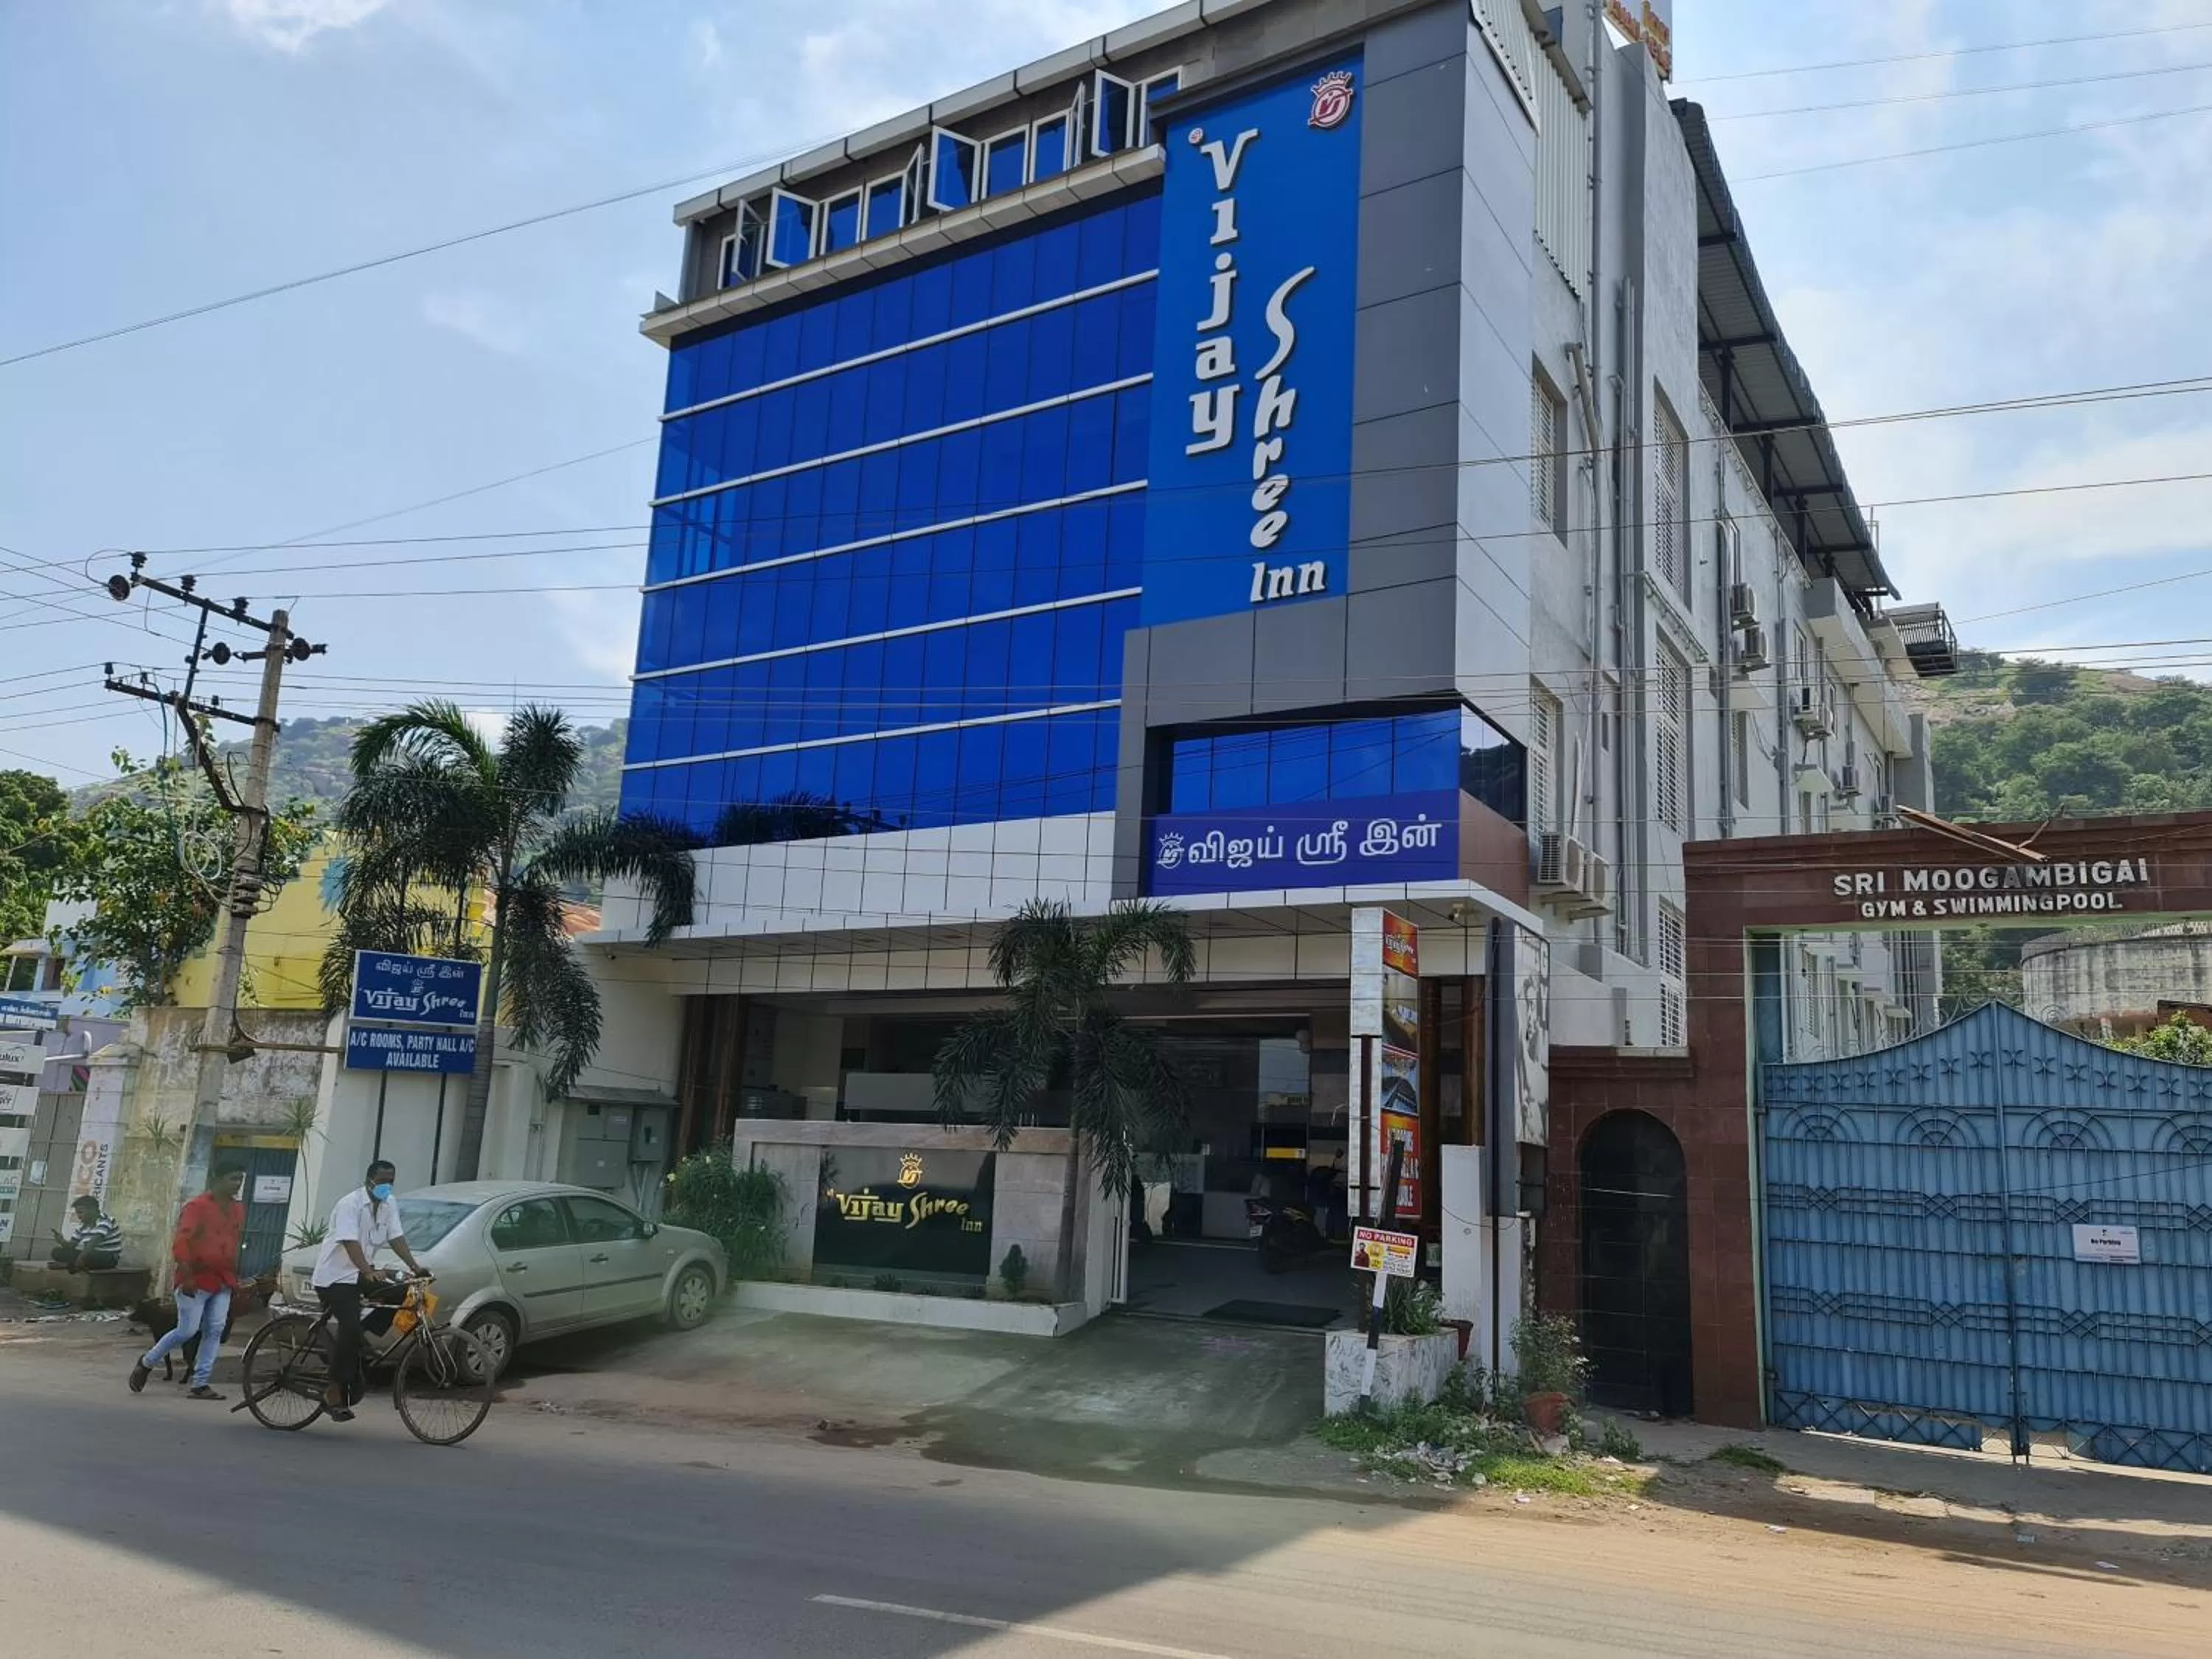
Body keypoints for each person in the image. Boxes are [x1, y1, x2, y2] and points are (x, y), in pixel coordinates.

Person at [310, 1159, 428, 1422]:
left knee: (399, 1292)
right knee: (348, 1328)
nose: (387, 1186)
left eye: (391, 1181)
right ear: (369, 1180)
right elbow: (350, 1242)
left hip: (362, 1273)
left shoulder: (389, 1204)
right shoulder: (349, 1205)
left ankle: (360, 1342)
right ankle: (334, 1393)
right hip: (335, 1278)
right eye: (382, 1181)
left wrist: (415, 1266)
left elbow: (396, 1237)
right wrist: (366, 1271)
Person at [129, 1165, 245, 1400]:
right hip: (195, 1278)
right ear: (217, 1178)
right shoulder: (197, 1207)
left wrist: (235, 1276)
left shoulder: (237, 1209)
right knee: (187, 1330)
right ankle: (147, 1361)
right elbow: (181, 1242)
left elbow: (235, 1241)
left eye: (241, 1179)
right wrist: (187, 1275)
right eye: (233, 1178)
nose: (237, 1184)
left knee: (214, 1330)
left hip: (222, 1279)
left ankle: (200, 1383)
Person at [50, 1195, 124, 1271]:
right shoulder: (82, 1226)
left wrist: (80, 1259)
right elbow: (72, 1245)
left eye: (80, 1212)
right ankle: (75, 1265)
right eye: (77, 1213)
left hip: (107, 1257)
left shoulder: (106, 1221)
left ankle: (73, 1265)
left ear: (92, 1209)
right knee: (56, 1252)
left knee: (87, 1256)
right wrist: (62, 1241)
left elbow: (92, 1243)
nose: (78, 1216)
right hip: (89, 1254)